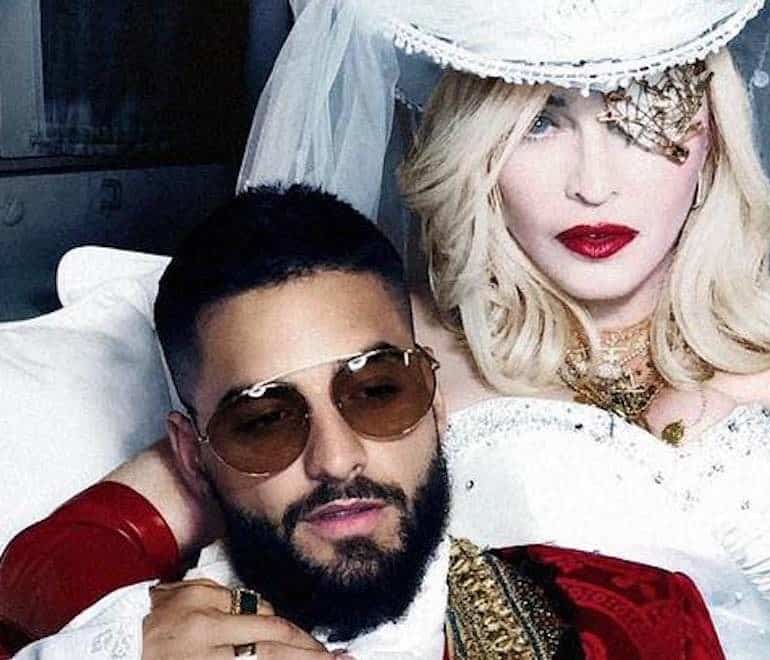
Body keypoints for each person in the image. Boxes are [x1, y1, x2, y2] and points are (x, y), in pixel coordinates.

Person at [2, 0, 770, 658]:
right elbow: (50, 565)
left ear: (712, 139)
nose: (594, 183)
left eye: (640, 119)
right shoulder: (382, 359)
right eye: (541, 122)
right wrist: (157, 633)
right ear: (474, 148)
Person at [10, 186, 725, 660]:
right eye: (265, 421)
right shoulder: (106, 642)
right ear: (193, 458)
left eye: (378, 392)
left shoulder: (642, 622)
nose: (337, 457)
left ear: (434, 401)